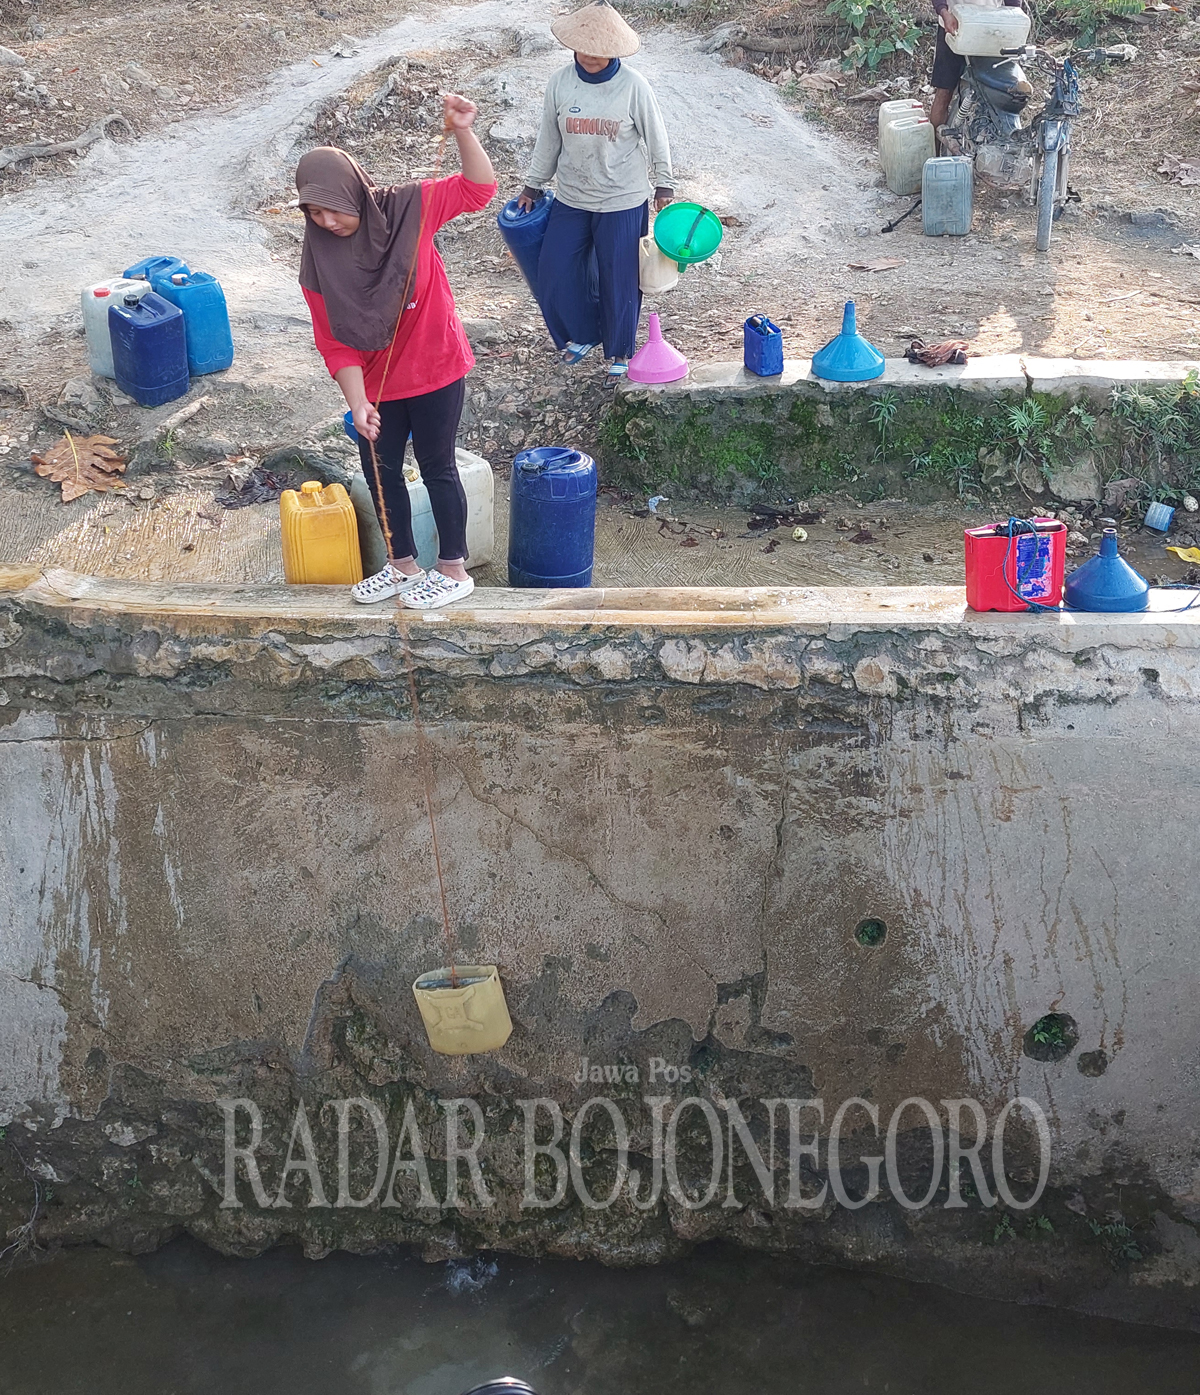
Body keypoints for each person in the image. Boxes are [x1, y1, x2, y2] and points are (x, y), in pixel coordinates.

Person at [296, 94, 497, 609]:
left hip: (436, 367)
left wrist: (462, 133)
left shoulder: (409, 208)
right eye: (313, 212)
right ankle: (402, 565)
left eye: (332, 207)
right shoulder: (319, 260)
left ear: (354, 193)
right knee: (379, 469)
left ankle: (453, 568)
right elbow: (333, 338)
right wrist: (357, 402)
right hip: (375, 383)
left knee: (437, 465)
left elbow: (479, 190)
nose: (326, 222)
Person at [516, 0, 674, 382]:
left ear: (613, 50)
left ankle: (619, 349)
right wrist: (533, 186)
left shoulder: (634, 86)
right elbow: (548, 139)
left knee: (619, 277)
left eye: (599, 51)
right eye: (584, 48)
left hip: (622, 199)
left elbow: (657, 136)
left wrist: (664, 183)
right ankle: (584, 333)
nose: (590, 56)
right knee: (555, 269)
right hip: (572, 196)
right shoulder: (560, 83)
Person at [929, 0, 1027, 136]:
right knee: (944, 93)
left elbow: (1013, 3)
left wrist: (1013, 18)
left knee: (999, 92)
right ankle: (934, 149)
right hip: (955, 26)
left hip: (993, 29)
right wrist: (944, 12)